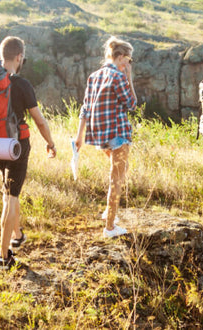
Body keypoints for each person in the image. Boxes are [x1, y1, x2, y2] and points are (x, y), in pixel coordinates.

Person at [0, 36, 58, 269]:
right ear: (19, 57)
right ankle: (3, 256)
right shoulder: (21, 84)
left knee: (10, 188)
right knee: (9, 197)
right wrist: (51, 142)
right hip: (16, 147)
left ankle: (17, 234)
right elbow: (39, 121)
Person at [74, 36, 137, 238]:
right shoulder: (119, 77)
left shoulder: (94, 76)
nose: (129, 64)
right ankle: (110, 227)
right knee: (116, 179)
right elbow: (132, 104)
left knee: (121, 169)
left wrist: (79, 136)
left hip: (100, 135)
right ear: (120, 58)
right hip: (117, 133)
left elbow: (85, 108)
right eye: (129, 60)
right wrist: (129, 78)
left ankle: (109, 213)